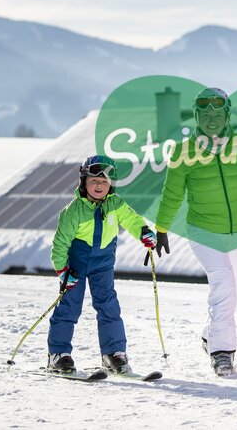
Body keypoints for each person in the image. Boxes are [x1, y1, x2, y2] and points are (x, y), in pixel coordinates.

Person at [154, 87, 237, 377]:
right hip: (203, 230)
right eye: (205, 114)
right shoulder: (183, 152)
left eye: (217, 114)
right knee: (223, 285)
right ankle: (222, 352)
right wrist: (161, 228)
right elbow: (172, 195)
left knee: (232, 291)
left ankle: (211, 335)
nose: (211, 119)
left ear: (226, 115)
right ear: (196, 116)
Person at [47, 155, 158, 375]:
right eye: (94, 182)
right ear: (83, 182)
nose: (99, 186)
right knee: (70, 305)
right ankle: (58, 355)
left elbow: (132, 219)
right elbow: (60, 244)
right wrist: (62, 271)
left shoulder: (116, 204)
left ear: (111, 185)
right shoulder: (74, 211)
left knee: (108, 305)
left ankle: (113, 353)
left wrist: (144, 232)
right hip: (76, 265)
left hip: (103, 263)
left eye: (104, 182)